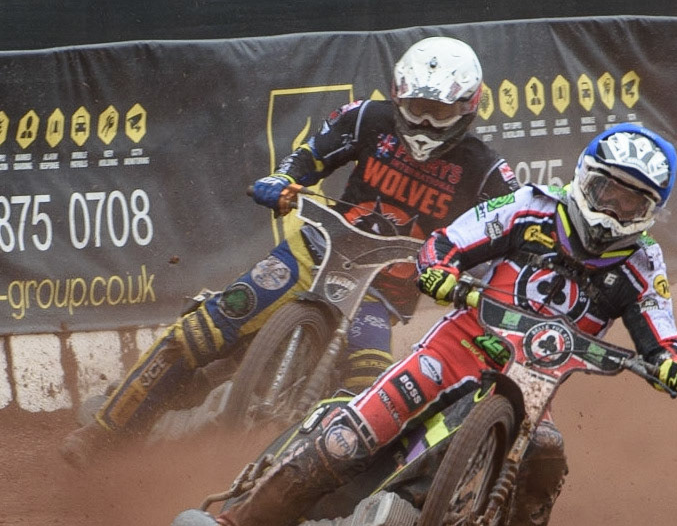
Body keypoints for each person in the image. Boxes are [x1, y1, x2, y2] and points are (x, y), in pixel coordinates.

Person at [187, 123, 677, 526]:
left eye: (631, 202)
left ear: (650, 211)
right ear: (585, 178)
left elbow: (661, 332)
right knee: (352, 435)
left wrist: (671, 363)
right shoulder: (529, 207)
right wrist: (439, 269)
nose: (613, 209)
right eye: (606, 190)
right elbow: (447, 242)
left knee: (545, 452)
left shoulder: (641, 263)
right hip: (457, 347)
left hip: (534, 380)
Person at [60, 36, 520, 467]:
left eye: (437, 111)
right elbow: (312, 155)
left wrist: (487, 285)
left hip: (382, 291)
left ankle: (324, 501)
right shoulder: (367, 118)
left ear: (467, 105)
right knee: (203, 328)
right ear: (398, 97)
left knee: (370, 392)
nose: (423, 122)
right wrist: (282, 180)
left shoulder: (486, 172)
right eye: (416, 107)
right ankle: (106, 433)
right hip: (313, 253)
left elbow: (513, 239)